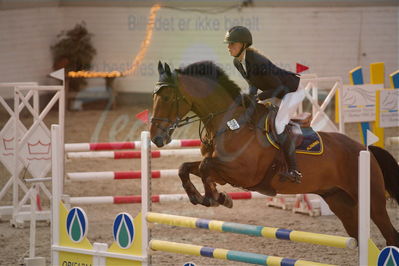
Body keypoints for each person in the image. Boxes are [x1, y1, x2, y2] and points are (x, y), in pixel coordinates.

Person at [224, 25, 305, 183]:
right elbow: (253, 84)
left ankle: (294, 170)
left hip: (291, 91)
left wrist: (260, 96)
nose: (229, 47)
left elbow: (280, 89)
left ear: (243, 45)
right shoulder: (238, 62)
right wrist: (249, 97)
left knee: (279, 125)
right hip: (275, 91)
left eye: (232, 44)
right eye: (228, 44)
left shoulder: (258, 61)